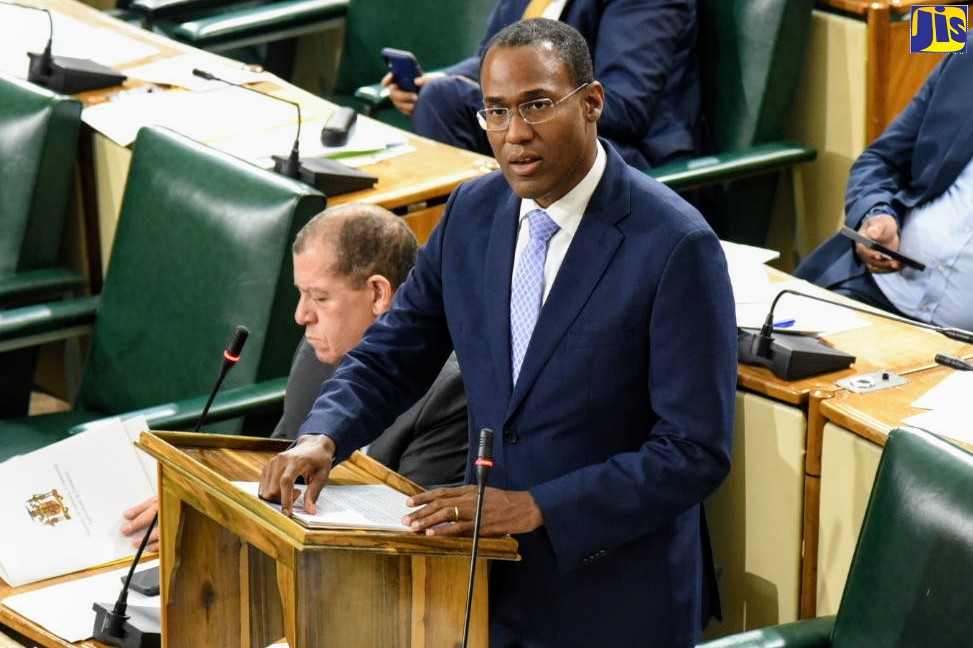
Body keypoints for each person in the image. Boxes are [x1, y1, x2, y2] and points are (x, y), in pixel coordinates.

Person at [261, 19, 736, 647]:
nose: (515, 133)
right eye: (496, 111)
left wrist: (538, 505)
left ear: (591, 103)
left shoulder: (676, 245)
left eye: (537, 105)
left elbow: (693, 451)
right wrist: (323, 436)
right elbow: (392, 352)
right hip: (484, 579)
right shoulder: (472, 213)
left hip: (613, 593)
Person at [121, 203, 469, 552]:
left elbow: (410, 536)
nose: (301, 315)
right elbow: (274, 465)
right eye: (301, 293)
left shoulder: (448, 392)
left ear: (378, 294)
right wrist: (199, 498)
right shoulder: (318, 353)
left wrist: (219, 528)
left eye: (319, 297)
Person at [384, 0, 700, 170]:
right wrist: (440, 79)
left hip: (628, 154)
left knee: (443, 100)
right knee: (440, 95)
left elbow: (626, 108)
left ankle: (462, 244)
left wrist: (489, 99)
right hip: (541, 133)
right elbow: (494, 59)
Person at [794, 43, 973, 332]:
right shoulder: (966, 58)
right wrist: (877, 215)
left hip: (961, 342)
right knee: (755, 347)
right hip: (872, 289)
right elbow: (881, 160)